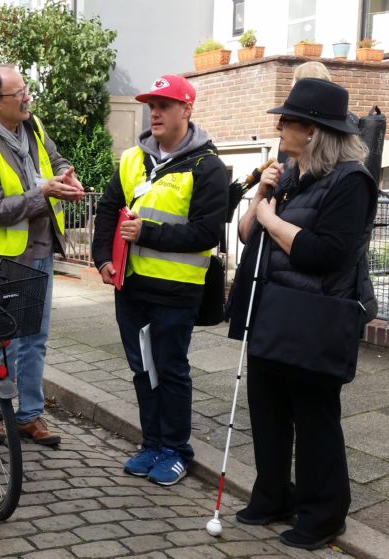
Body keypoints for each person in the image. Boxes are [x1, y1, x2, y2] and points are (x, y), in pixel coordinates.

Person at [228, 78, 377, 549]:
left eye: (287, 121)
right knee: (268, 410)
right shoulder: (292, 174)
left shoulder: (351, 182)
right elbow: (248, 236)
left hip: (314, 318)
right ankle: (273, 495)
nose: (279, 127)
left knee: (315, 420)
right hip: (272, 310)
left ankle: (324, 513)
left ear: (313, 131)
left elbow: (324, 253)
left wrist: (274, 220)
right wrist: (261, 199)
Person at [91, 75, 228, 485]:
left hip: (176, 291)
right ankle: (151, 444)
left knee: (169, 369)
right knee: (140, 369)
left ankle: (175, 450)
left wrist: (147, 233)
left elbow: (207, 233)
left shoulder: (208, 166)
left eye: (165, 105)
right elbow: (108, 209)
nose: (155, 112)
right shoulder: (134, 159)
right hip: (131, 287)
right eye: (152, 105)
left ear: (187, 110)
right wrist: (101, 258)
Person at [0, 64, 84, 446]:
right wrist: (43, 193)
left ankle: (30, 417)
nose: (27, 97)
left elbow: (58, 159)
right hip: (5, 260)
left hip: (43, 250)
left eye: (26, 90)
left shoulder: (34, 127)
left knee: (36, 338)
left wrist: (66, 176)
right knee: (6, 343)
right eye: (19, 94)